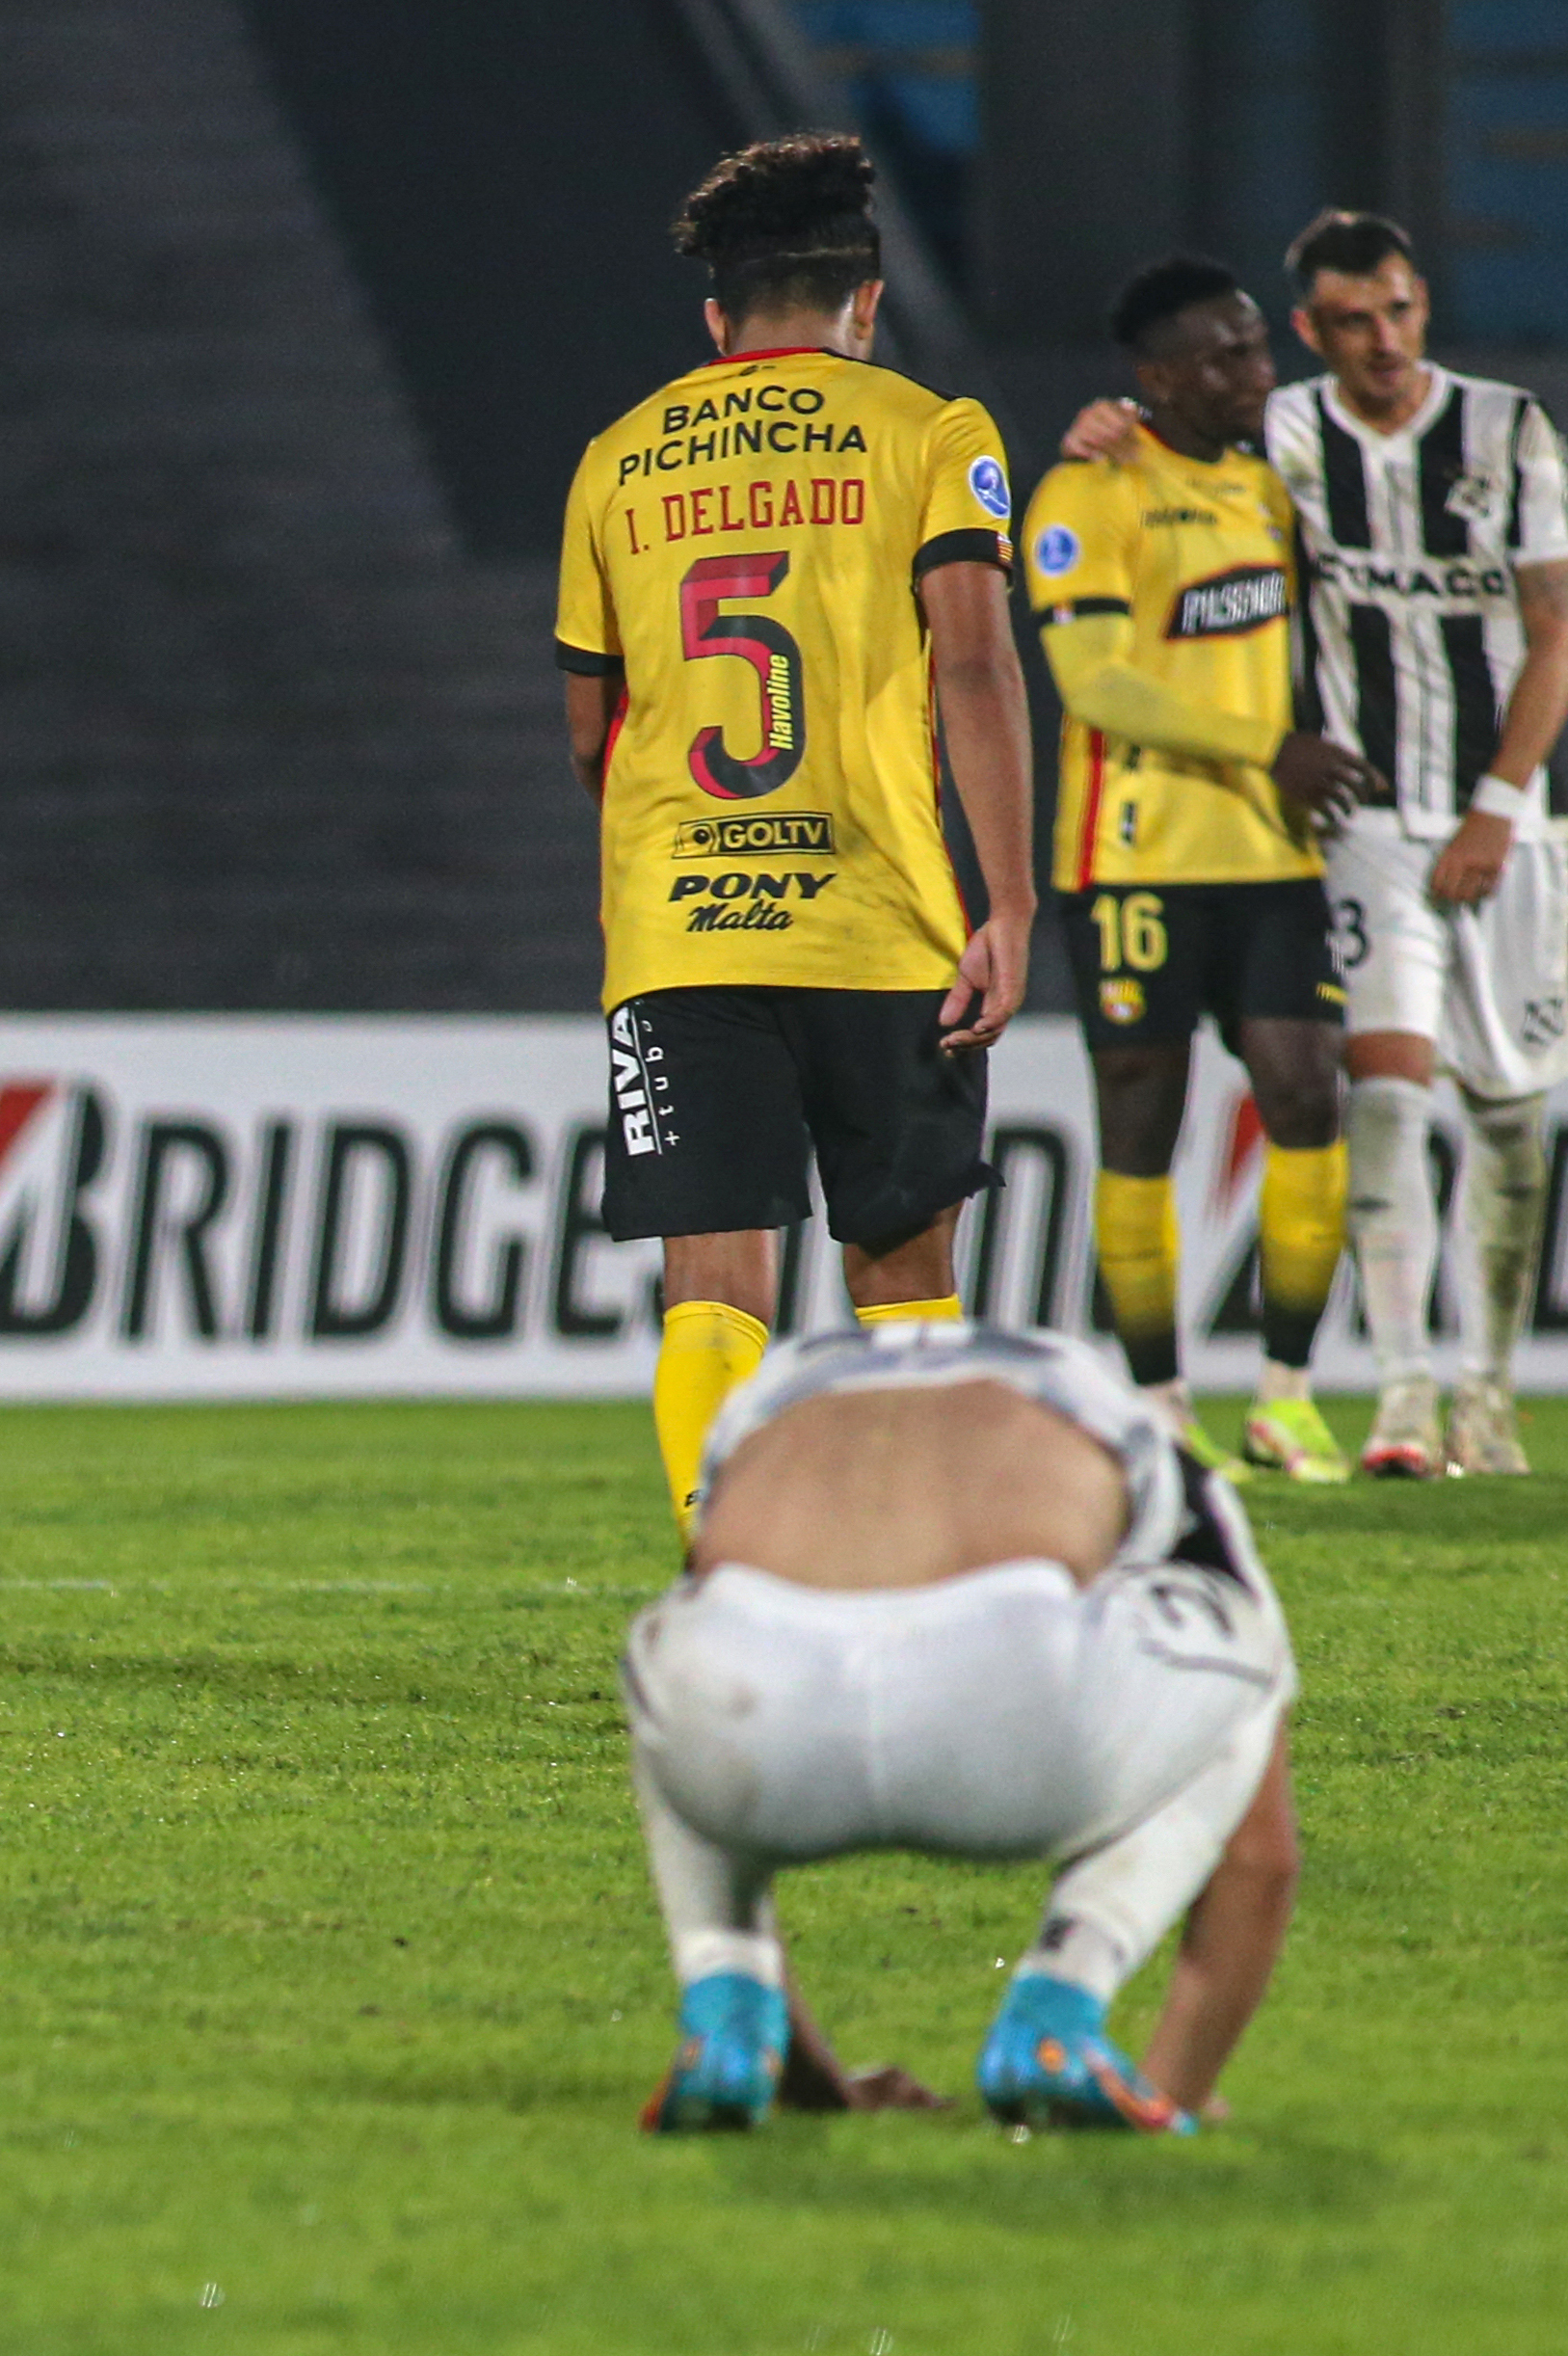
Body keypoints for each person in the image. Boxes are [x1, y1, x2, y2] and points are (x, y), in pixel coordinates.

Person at [556, 133, 1036, 1532]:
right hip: (881, 919)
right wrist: (1007, 903)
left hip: (682, 926)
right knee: (904, 1274)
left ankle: (728, 1577)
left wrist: (667, 857)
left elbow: (593, 730)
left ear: (716, 321)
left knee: (713, 1284)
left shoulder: (618, 458)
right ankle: (915, 1587)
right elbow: (974, 665)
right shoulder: (932, 431)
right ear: (867, 302)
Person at [1065, 211, 1568, 1477]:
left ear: (1423, 304)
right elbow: (1162, 449)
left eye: (1401, 310)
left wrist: (1494, 806)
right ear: (1311, 331)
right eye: (1351, 321)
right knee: (1388, 1098)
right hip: (1356, 821)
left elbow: (1559, 634)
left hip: (1506, 818)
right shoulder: (1285, 436)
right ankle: (1404, 1394)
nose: (1383, 340)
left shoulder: (1508, 428)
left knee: (1510, 1117)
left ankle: (1490, 1389)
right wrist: (1101, 430)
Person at [625, 1320, 1301, 2135]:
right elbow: (1264, 1857)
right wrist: (1180, 2091)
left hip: (746, 1726)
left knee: (693, 1641)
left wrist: (826, 2091)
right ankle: (1062, 2004)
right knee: (1253, 1658)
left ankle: (727, 2015)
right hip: (1006, 1709)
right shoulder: (1114, 1419)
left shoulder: (761, 1415)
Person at [1025, 257, 1381, 1481]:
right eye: (1227, 355)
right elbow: (1096, 684)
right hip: (1132, 857)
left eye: (1255, 347)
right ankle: (1163, 1410)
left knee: (1306, 1098)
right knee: (1143, 1120)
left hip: (1270, 857)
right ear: (1158, 376)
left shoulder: (1269, 492)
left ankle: (1286, 1397)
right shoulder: (1089, 489)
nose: (1256, 370)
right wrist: (1266, 746)